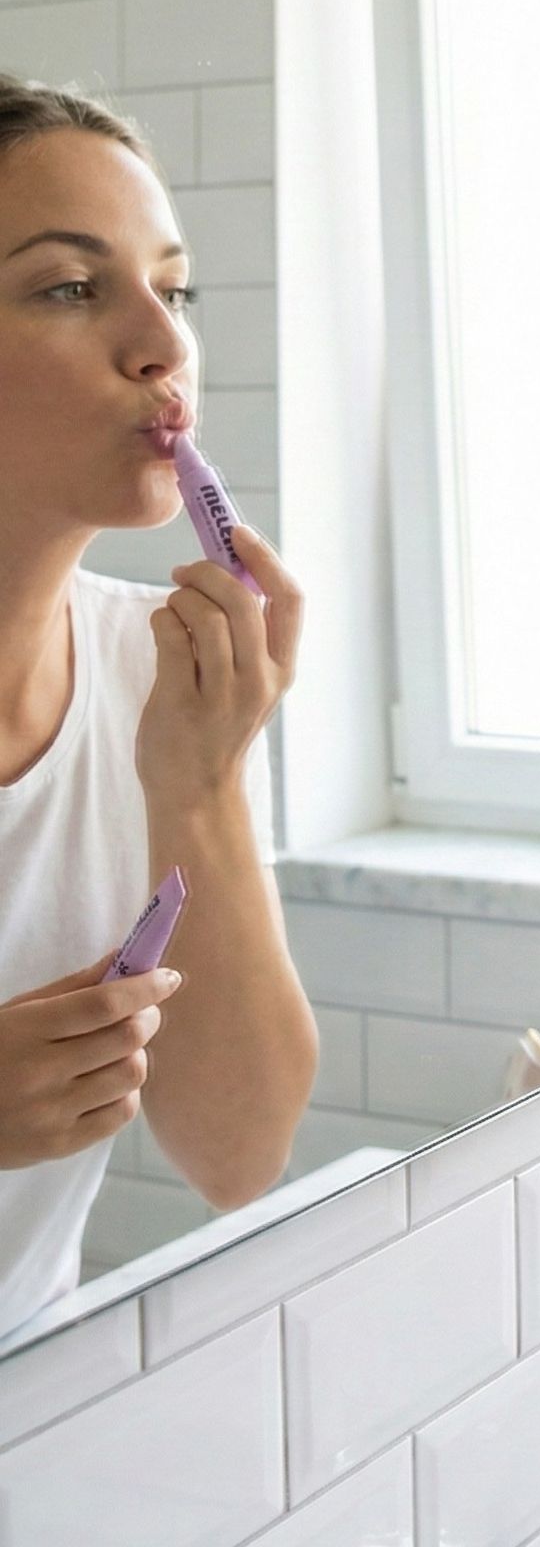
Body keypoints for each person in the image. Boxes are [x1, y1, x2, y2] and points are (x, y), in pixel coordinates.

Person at [0, 75, 317, 1339]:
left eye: (171, 288)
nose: (161, 340)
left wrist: (203, 782)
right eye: (69, 286)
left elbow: (238, 1154)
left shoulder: (164, 667)